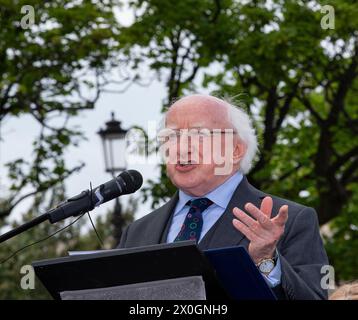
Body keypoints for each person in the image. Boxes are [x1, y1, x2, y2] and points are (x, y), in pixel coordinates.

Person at [118, 94, 329, 300]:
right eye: (171, 137)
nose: (181, 147)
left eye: (199, 135)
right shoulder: (137, 232)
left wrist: (267, 262)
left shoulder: (293, 220)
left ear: (235, 150)